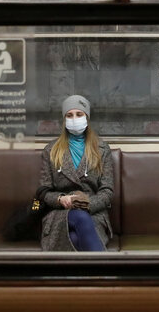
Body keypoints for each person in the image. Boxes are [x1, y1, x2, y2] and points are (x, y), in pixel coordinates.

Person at [38, 95, 114, 251]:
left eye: (79, 114)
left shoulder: (102, 149)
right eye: (69, 115)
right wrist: (60, 199)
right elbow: (43, 192)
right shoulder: (50, 150)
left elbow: (107, 191)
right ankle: (105, 272)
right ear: (64, 120)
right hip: (59, 214)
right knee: (78, 217)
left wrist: (86, 204)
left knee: (74, 237)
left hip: (94, 214)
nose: (74, 119)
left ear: (87, 117)